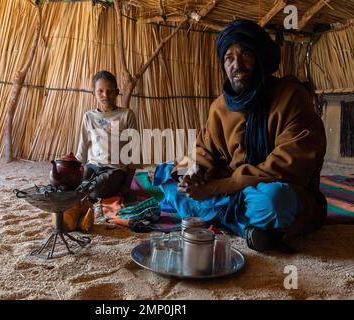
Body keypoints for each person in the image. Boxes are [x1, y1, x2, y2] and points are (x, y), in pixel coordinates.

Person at [153, 19, 327, 252]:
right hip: (231, 190)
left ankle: (231, 218)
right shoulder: (220, 107)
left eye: (246, 54)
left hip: (271, 190)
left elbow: (288, 165)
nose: (237, 64)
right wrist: (192, 175)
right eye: (229, 58)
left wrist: (218, 187)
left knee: (274, 200)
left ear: (260, 59)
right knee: (169, 176)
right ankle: (250, 228)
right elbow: (204, 149)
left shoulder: (291, 98)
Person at [76, 70, 138, 201]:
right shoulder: (89, 117)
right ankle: (89, 189)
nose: (105, 95)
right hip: (93, 165)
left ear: (117, 92)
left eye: (110, 91)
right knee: (83, 176)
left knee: (101, 184)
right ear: (93, 93)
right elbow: (83, 146)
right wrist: (76, 169)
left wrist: (127, 185)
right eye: (100, 91)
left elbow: (135, 151)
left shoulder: (126, 115)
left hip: (115, 170)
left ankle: (90, 190)